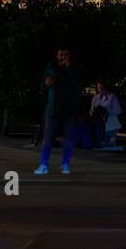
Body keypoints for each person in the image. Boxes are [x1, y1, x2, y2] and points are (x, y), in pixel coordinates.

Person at [34, 46, 82, 175]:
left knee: (68, 139)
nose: (62, 57)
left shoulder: (73, 68)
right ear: (57, 55)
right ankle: (43, 164)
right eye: (60, 54)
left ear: (69, 55)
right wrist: (46, 83)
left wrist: (68, 69)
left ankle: (65, 164)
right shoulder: (51, 66)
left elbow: (76, 84)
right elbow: (43, 83)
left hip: (69, 109)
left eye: (65, 55)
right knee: (48, 137)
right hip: (53, 107)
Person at [89, 80, 123, 150]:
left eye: (102, 88)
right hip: (99, 123)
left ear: (106, 88)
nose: (100, 90)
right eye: (99, 88)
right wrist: (93, 111)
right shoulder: (95, 97)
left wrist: (106, 111)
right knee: (101, 143)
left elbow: (118, 110)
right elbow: (91, 110)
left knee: (110, 145)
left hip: (110, 123)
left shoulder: (112, 96)